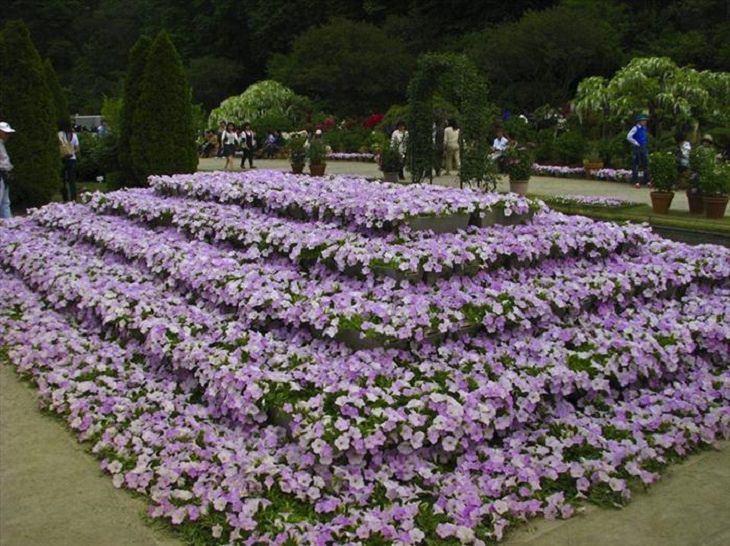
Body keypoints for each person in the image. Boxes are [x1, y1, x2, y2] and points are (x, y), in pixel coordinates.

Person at [58, 120, 80, 202]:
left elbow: (60, 144)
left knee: (63, 180)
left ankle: (65, 198)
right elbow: (77, 148)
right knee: (72, 180)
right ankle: (73, 198)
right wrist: (72, 152)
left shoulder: (60, 134)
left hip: (63, 158)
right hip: (72, 158)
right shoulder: (74, 135)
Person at [627, 114, 650, 188]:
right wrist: (636, 143)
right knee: (636, 164)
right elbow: (629, 137)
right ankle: (636, 181)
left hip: (644, 146)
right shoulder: (635, 128)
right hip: (637, 147)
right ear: (639, 121)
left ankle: (646, 180)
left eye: (645, 120)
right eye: (643, 120)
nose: (645, 122)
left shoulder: (644, 128)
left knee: (645, 163)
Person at [0, 121, 15, 219]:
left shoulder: (1, 144)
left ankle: (9, 224)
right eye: (5, 133)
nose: (8, 135)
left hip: (4, 174)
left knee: (5, 201)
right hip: (1, 173)